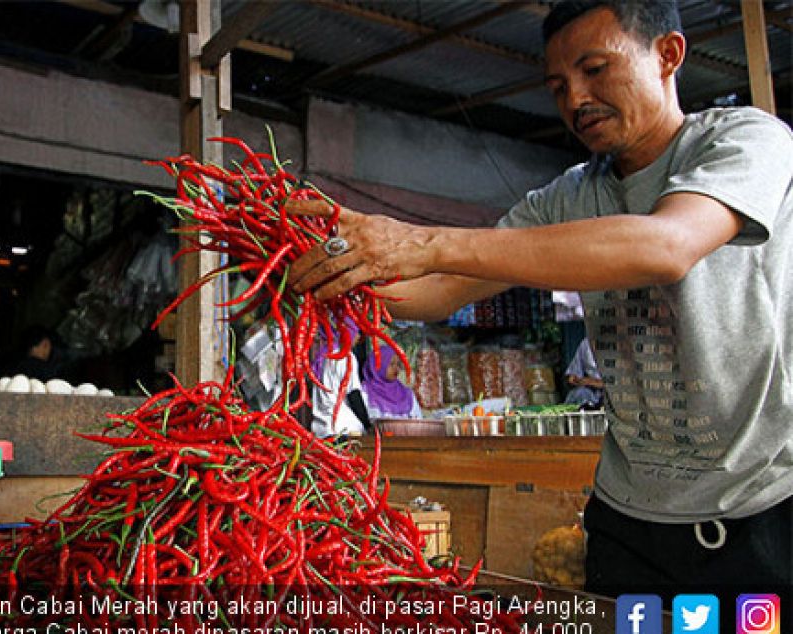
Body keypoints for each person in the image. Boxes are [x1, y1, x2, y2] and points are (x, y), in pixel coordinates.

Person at [288, 0, 792, 602]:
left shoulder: (745, 141)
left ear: (667, 55)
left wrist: (422, 240)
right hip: (630, 522)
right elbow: (437, 290)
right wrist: (330, 268)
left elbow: (666, 244)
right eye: (558, 86)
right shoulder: (566, 198)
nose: (576, 99)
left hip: (760, 513)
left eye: (595, 69)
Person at [310, 321, 370, 438]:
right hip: (343, 428)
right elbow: (353, 395)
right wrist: (368, 425)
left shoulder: (323, 356)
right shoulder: (346, 357)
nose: (358, 338)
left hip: (322, 428)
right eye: (357, 333)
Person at [360, 343, 424, 420]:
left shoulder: (407, 394)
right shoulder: (365, 392)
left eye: (398, 364)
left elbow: (418, 420)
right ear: (378, 365)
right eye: (391, 364)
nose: (396, 369)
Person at [564, 337, 604, 407]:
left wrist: (595, 382)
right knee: (579, 394)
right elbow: (574, 372)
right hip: (591, 394)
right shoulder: (586, 343)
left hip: (613, 395)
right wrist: (573, 378)